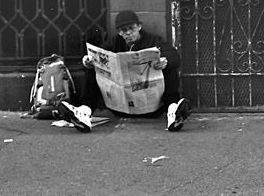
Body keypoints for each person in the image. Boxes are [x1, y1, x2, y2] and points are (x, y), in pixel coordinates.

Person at [57, 10, 191, 133]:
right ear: (119, 32)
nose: (128, 33)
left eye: (131, 29)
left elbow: (175, 57)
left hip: (152, 108)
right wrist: (88, 61)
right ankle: (84, 112)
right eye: (123, 30)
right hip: (121, 108)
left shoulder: (153, 40)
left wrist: (164, 61)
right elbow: (97, 55)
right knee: (94, 66)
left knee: (168, 66)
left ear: (139, 26)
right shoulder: (114, 43)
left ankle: (173, 111)